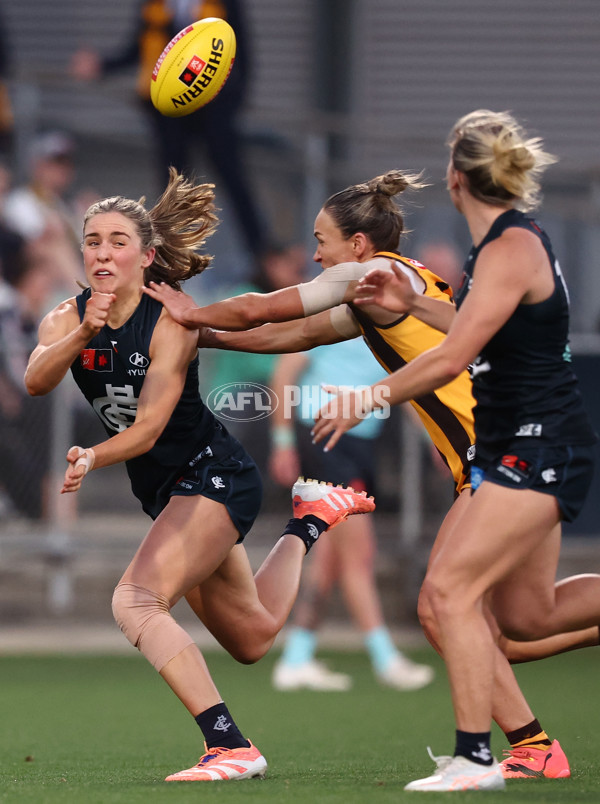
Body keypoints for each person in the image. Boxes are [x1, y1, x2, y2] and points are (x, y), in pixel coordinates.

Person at [144, 165, 599, 785]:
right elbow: (293, 332)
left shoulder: (367, 274)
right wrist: (212, 334)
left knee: (446, 610)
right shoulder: (381, 295)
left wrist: (190, 314)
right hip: (498, 451)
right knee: (516, 623)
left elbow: (268, 306)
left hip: (498, 453)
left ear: (357, 246)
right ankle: (534, 748)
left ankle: (504, 750)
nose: (314, 252)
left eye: (321, 240)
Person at [24, 168, 374, 783]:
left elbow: (151, 429)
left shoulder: (169, 324)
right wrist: (83, 331)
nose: (103, 252)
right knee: (253, 637)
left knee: (135, 601)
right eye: (92, 240)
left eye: (117, 241)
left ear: (146, 255)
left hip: (212, 475)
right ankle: (310, 520)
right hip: (166, 492)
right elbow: (35, 378)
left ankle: (229, 745)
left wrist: (92, 457)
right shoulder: (65, 319)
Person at [311, 111, 600, 791]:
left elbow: (456, 356)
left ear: (455, 178)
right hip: (517, 443)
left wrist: (369, 397)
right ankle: (521, 749)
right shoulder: (502, 246)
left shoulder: (508, 248)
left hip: (535, 442)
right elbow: (472, 323)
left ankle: (476, 756)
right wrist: (413, 300)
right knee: (529, 616)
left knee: (447, 593)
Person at [269, 339, 434, 692]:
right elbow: (284, 371)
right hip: (323, 436)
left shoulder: (390, 324)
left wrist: (435, 440)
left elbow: (405, 386)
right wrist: (282, 441)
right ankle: (385, 658)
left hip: (360, 443)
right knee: (359, 554)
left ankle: (296, 657)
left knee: (330, 557)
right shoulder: (332, 310)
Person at [71, 0, 271, 266]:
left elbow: (242, 52)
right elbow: (138, 49)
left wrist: (233, 103)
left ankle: (262, 256)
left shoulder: (225, 3)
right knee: (172, 185)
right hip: (170, 113)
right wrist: (103, 66)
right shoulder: (154, 4)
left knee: (234, 179)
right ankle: (170, 260)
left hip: (214, 110)